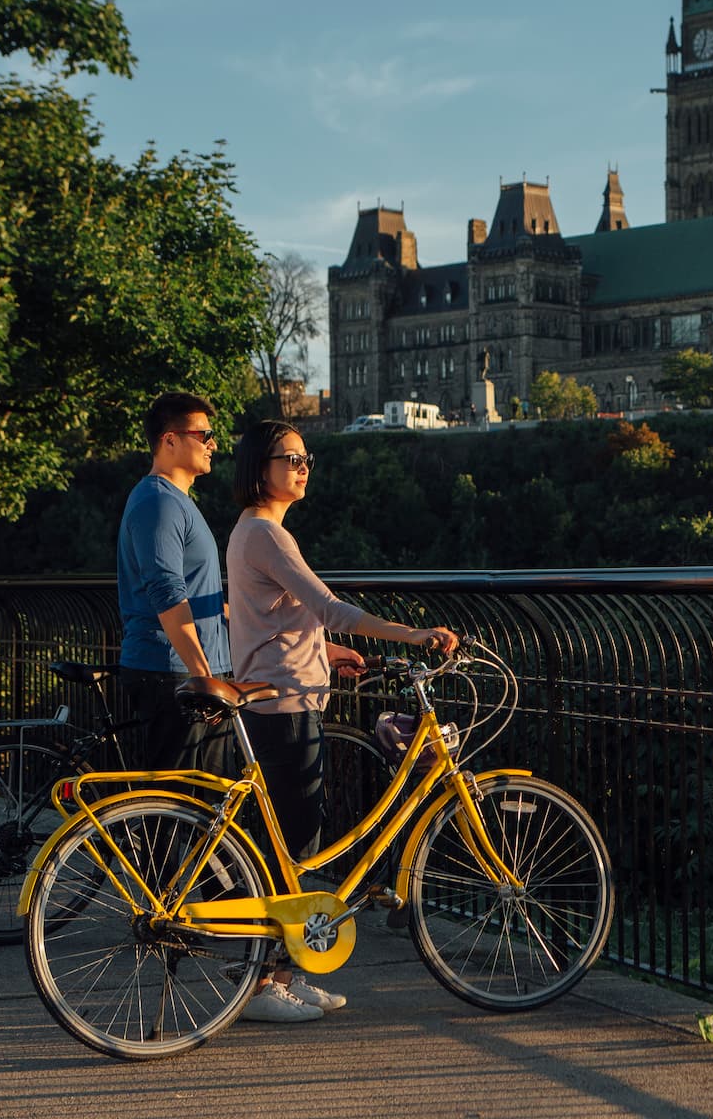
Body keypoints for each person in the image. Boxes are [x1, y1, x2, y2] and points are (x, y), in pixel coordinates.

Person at [225, 418, 459, 1023]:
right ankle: (259, 985)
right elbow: (329, 606)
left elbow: (274, 617)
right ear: (259, 468)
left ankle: (280, 971)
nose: (303, 468)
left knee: (293, 840)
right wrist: (414, 633)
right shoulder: (266, 535)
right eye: (290, 459)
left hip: (288, 695)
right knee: (293, 847)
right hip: (284, 705)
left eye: (307, 459)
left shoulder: (258, 532)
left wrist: (325, 651)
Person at [116, 392, 234, 777]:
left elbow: (201, 597)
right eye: (204, 434)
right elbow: (168, 594)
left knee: (204, 807)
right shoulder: (158, 503)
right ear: (170, 439)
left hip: (190, 670)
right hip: (173, 671)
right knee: (177, 807)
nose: (213, 443)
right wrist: (204, 677)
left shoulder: (178, 501)